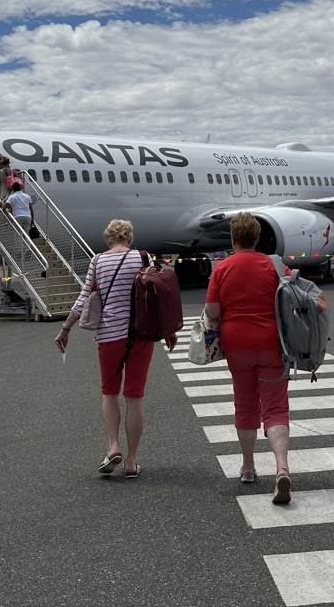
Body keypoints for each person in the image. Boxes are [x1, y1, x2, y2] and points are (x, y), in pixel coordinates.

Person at [55, 220, 174, 479]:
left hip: (109, 336)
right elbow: (158, 295)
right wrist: (169, 330)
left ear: (108, 238)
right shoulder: (142, 258)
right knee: (134, 397)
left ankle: (112, 447)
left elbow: (84, 297)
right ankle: (131, 461)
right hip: (140, 335)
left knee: (109, 392)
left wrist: (66, 329)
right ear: (129, 237)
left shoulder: (97, 261)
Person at [203, 212, 291, 504]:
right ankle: (281, 468)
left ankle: (248, 466)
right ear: (257, 237)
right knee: (275, 406)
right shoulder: (275, 266)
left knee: (245, 403)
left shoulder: (222, 269)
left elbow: (213, 312)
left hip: (236, 345)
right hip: (271, 344)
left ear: (233, 238)